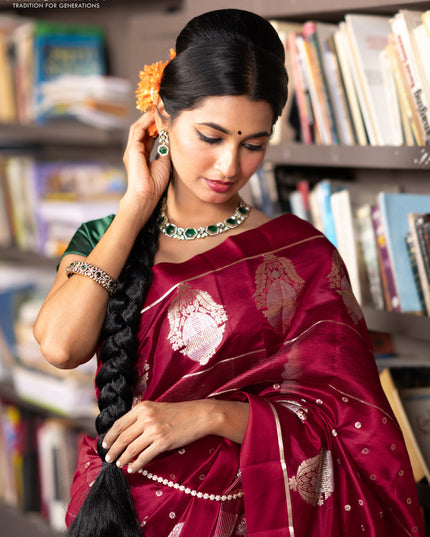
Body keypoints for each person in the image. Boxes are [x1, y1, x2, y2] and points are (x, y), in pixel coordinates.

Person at [34, 8, 424, 537]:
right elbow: (60, 347)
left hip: (248, 513)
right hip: (118, 512)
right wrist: (136, 203)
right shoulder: (106, 239)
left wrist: (210, 415)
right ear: (162, 120)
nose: (228, 167)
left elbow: (351, 426)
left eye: (253, 145)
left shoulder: (302, 257)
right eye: (210, 137)